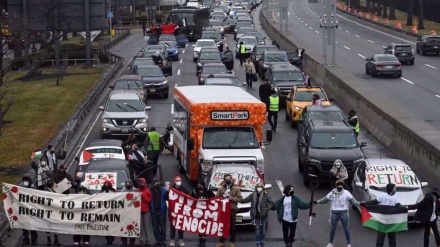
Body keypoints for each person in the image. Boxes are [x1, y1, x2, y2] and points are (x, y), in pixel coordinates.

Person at [313, 180, 360, 247]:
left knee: (346, 228)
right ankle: (330, 243)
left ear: (343, 186)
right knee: (333, 228)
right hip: (334, 213)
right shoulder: (333, 192)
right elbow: (325, 199)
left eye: (341, 185)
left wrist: (361, 204)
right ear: (336, 186)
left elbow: (354, 202)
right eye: (338, 185)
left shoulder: (346, 193)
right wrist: (317, 202)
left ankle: (349, 244)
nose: (340, 186)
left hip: (344, 213)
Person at [239, 182, 274, 247]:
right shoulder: (253, 195)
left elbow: (271, 202)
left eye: (261, 187)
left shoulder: (265, 194)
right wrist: (238, 198)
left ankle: (263, 243)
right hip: (256, 215)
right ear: (256, 187)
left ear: (263, 188)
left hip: (263, 215)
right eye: (258, 186)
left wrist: (266, 209)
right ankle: (258, 244)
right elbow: (245, 200)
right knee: (257, 230)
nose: (259, 188)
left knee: (263, 230)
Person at [215, 174, 242, 247]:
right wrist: (221, 198)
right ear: (224, 180)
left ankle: (232, 242)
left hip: (232, 209)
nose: (228, 180)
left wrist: (232, 198)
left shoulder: (236, 189)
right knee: (223, 226)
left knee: (232, 226)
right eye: (226, 179)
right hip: (224, 210)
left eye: (229, 179)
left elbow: (240, 198)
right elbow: (216, 197)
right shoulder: (221, 189)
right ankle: (222, 242)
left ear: (231, 179)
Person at [191, 181, 215, 247]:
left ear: (203, 186)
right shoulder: (195, 192)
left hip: (206, 212)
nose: (199, 186)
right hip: (198, 212)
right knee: (199, 226)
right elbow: (190, 199)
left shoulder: (208, 192)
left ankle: (204, 240)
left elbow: (214, 198)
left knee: (205, 227)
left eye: (200, 185)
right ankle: (200, 240)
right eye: (198, 185)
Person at [167, 176, 189, 247]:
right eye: (177, 180)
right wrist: (167, 192)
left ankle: (181, 240)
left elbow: (189, 197)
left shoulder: (184, 189)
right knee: (172, 226)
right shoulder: (171, 189)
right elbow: (166, 198)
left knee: (180, 225)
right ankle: (172, 240)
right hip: (172, 210)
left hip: (181, 210)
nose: (178, 182)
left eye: (180, 180)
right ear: (174, 181)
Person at [119, 180, 139, 246]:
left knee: (133, 226)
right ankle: (124, 241)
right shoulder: (122, 190)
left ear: (132, 183)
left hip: (133, 211)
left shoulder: (135, 190)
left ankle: (132, 241)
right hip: (124, 211)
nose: (128, 184)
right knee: (124, 226)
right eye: (127, 183)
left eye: (129, 183)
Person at [150, 178, 168, 247]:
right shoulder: (150, 190)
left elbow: (167, 197)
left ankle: (163, 240)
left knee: (163, 226)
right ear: (153, 183)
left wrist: (168, 192)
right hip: (153, 211)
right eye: (155, 182)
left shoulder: (164, 190)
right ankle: (158, 240)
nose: (156, 183)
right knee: (155, 227)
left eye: (158, 182)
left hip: (162, 210)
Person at [21, 176, 39, 246]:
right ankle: (26, 239)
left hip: (32, 212)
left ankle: (34, 240)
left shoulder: (34, 189)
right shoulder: (22, 189)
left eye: (26, 181)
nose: (25, 182)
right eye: (24, 181)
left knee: (32, 227)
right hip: (24, 211)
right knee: (24, 227)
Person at [44, 179, 61, 246]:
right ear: (51, 185)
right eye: (54, 183)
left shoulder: (53, 190)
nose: (55, 184)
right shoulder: (46, 191)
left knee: (55, 225)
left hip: (54, 211)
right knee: (48, 225)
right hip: (48, 211)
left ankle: (56, 240)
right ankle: (49, 240)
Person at [73, 181, 91, 246]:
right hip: (78, 213)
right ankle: (77, 240)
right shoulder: (77, 194)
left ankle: (86, 239)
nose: (80, 186)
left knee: (86, 227)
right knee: (78, 227)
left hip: (86, 213)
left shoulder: (89, 195)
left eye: (81, 186)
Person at [136, 178, 153, 247]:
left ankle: (147, 240)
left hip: (146, 211)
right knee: (140, 227)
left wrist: (143, 196)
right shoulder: (137, 190)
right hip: (139, 211)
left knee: (147, 226)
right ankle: (141, 240)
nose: (141, 184)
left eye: (142, 183)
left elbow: (149, 201)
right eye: (140, 183)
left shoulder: (147, 191)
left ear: (145, 183)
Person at [101, 180, 116, 245]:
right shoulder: (101, 192)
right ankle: (107, 238)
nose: (106, 186)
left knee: (111, 226)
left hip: (112, 212)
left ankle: (112, 237)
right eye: (105, 184)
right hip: (105, 212)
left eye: (107, 184)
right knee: (105, 226)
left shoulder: (113, 192)